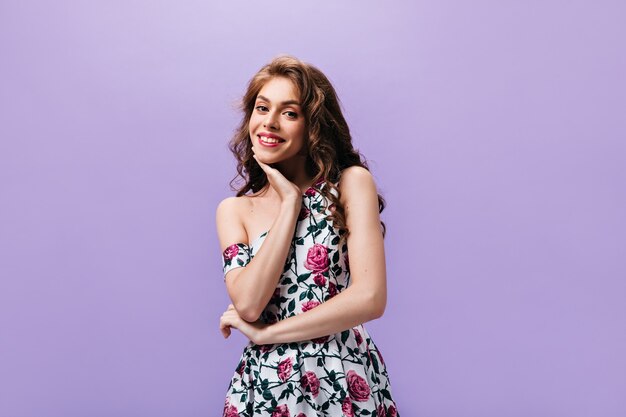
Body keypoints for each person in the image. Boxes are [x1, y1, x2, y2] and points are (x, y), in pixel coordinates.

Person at [216, 54, 399, 417]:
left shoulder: (350, 184)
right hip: (266, 385)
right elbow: (250, 304)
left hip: (341, 374)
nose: (269, 123)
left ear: (312, 124)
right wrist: (289, 202)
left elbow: (370, 297)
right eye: (261, 108)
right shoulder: (234, 211)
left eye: (289, 112)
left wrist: (269, 334)